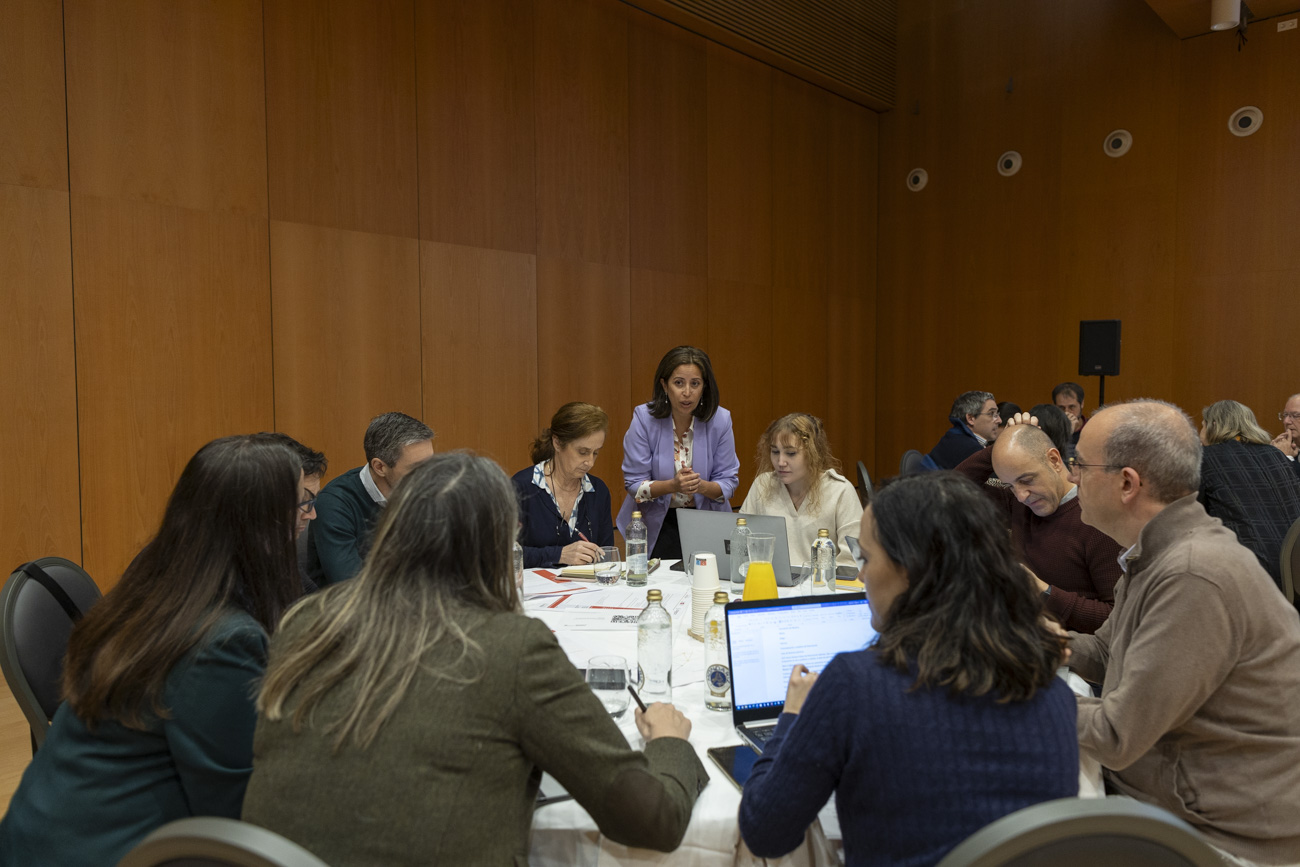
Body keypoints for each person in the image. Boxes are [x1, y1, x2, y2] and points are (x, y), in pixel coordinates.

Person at [241, 453, 708, 866]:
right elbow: (652, 820)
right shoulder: (511, 648)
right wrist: (669, 742)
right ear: (498, 544)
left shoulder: (307, 621)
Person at [738, 473, 1078, 865]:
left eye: (866, 559)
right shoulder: (1054, 694)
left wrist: (793, 716)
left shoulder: (856, 686)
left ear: (910, 570)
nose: (861, 575)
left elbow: (765, 831)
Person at [0, 435, 305, 866]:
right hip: (103, 851)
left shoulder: (154, 587)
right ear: (263, 527)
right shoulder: (221, 640)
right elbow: (239, 812)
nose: (309, 517)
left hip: (42, 835)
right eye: (302, 504)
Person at [1067, 400, 1300, 866]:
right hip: (1179, 807)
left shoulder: (1192, 572)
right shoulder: (1159, 552)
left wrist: (1017, 691)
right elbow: (1106, 653)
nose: (1073, 477)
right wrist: (1023, 645)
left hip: (1229, 840)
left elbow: (1115, 735)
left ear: (1127, 483)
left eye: (1081, 465)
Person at [955, 415, 1120, 633]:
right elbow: (954, 489)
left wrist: (1044, 592)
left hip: (1069, 645)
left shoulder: (1098, 522)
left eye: (1027, 480)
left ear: (1054, 460)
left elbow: (1115, 620)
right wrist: (1003, 445)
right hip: (1018, 630)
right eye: (1010, 485)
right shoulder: (1020, 503)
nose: (1021, 495)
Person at [617, 346, 740, 560]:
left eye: (695, 384)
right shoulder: (644, 419)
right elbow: (634, 485)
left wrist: (700, 486)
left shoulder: (720, 420)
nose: (687, 392)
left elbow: (728, 483)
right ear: (665, 385)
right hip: (657, 523)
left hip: (707, 519)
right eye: (679, 383)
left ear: (704, 386)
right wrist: (672, 486)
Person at [306, 411, 434, 586]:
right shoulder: (335, 504)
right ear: (380, 467)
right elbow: (350, 585)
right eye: (416, 468)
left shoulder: (429, 492)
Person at [1198, 400, 1300, 591]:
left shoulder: (1205, 458)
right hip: (1294, 572)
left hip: (1249, 572)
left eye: (1202, 426)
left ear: (1213, 425)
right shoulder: (1277, 455)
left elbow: (1193, 517)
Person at [739, 413, 862, 571]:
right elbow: (740, 544)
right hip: (770, 581)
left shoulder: (840, 491)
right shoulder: (763, 484)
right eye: (775, 452)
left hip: (823, 584)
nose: (780, 462)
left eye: (791, 453)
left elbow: (852, 561)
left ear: (813, 453)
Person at [512, 402, 615, 568]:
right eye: (582, 452)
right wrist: (559, 555)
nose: (590, 462)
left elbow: (606, 555)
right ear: (557, 443)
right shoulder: (521, 487)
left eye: (595, 453)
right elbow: (503, 555)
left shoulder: (598, 491)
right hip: (534, 584)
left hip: (586, 584)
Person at [926, 390, 998, 469]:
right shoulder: (969, 449)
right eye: (991, 414)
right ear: (970, 419)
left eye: (997, 414)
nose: (999, 420)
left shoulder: (955, 436)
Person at [1272, 392, 1300, 463]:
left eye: (1295, 416)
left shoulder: (1286, 452)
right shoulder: (1281, 447)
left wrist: (1287, 457)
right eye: (1285, 415)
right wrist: (1271, 454)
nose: (1286, 421)